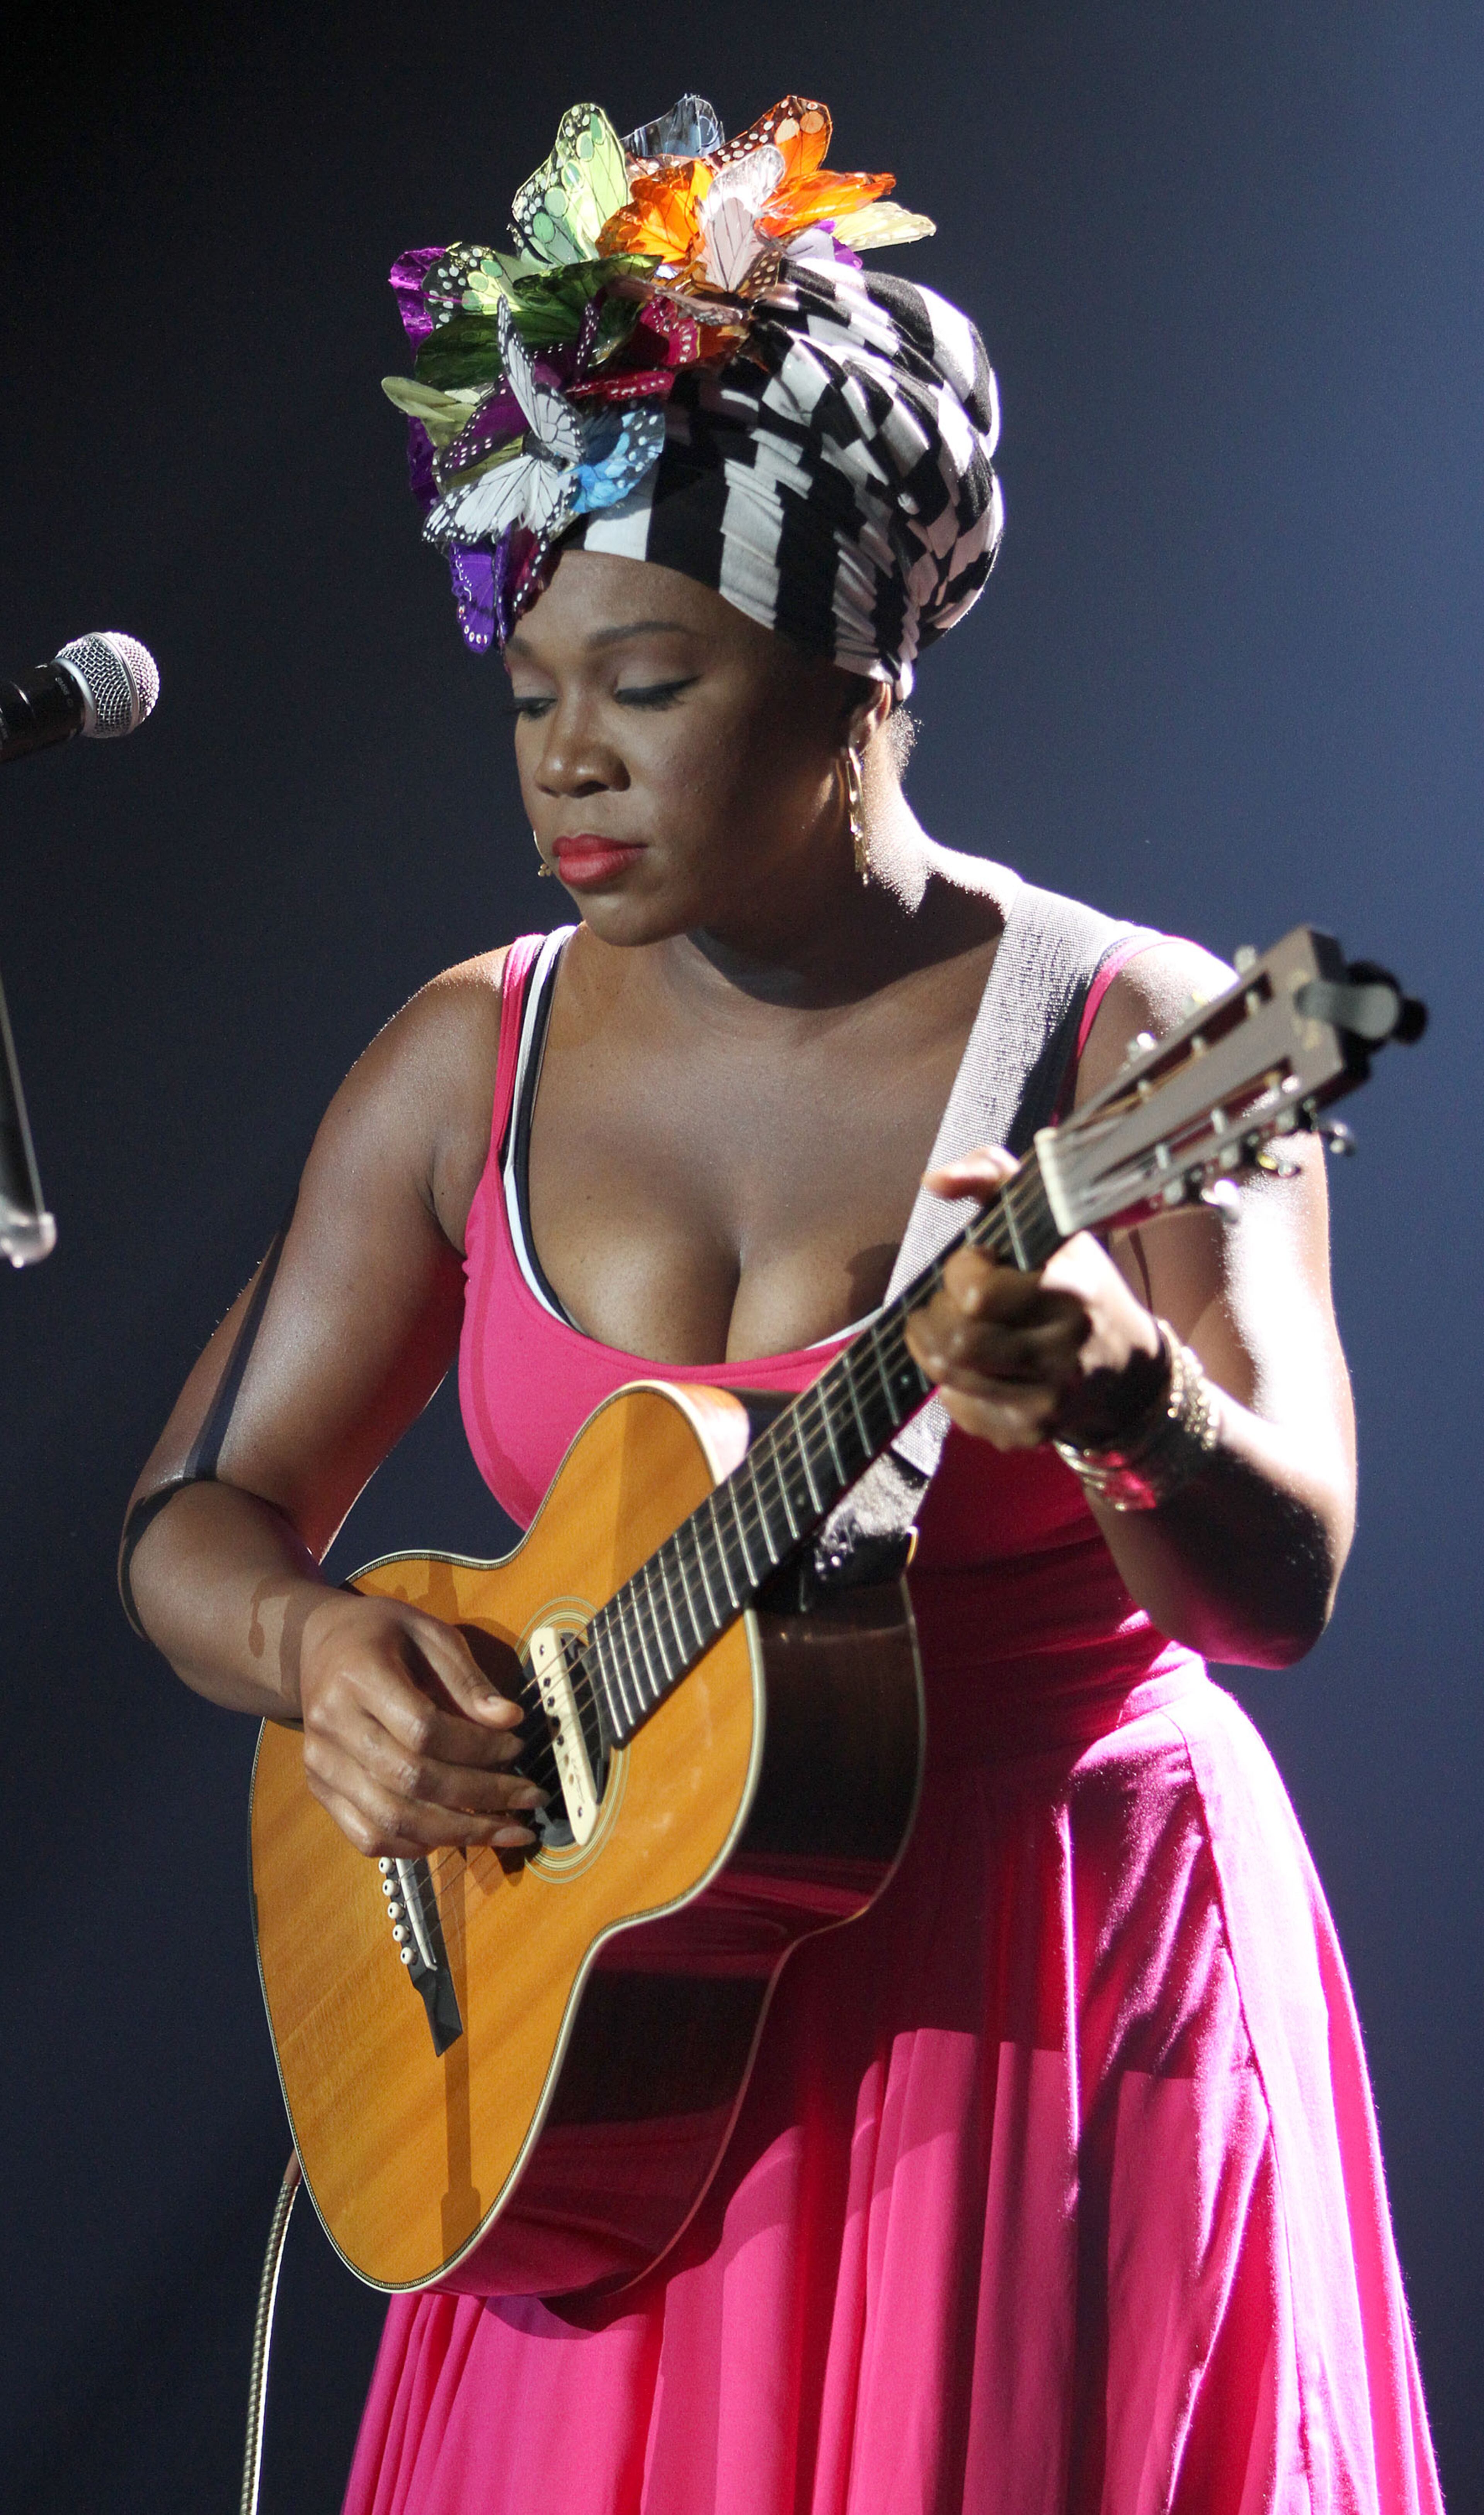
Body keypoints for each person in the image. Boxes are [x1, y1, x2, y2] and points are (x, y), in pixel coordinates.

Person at [121, 91, 1442, 2515]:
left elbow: (1290, 1584)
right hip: (594, 2039)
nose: (566, 761)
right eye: (533, 694)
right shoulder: (469, 1052)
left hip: (1046, 2015)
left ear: (864, 683)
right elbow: (195, 1530)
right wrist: (326, 1664)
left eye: (649, 684)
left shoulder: (1137, 1040)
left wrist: (1129, 1393)